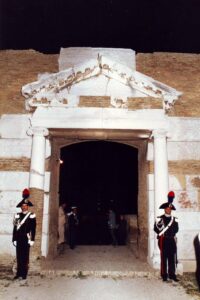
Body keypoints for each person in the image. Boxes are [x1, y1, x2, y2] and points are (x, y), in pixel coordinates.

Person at [154, 191, 179, 282]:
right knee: (164, 258)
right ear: (164, 209)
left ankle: (172, 274)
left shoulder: (175, 219)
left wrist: (171, 233)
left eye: (170, 209)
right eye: (167, 209)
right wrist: (162, 229)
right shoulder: (159, 218)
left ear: (171, 210)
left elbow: (176, 229)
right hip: (163, 240)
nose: (168, 210)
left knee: (172, 257)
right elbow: (156, 229)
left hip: (171, 240)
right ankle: (164, 274)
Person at [12, 188, 36, 280]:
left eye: (26, 205)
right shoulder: (17, 215)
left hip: (26, 238)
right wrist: (14, 239)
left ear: (27, 206)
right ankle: (19, 273)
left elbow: (33, 228)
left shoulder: (31, 215)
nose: (24, 207)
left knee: (25, 256)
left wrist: (32, 239)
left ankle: (24, 274)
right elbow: (15, 228)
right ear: (21, 207)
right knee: (19, 256)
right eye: (23, 205)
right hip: (19, 238)